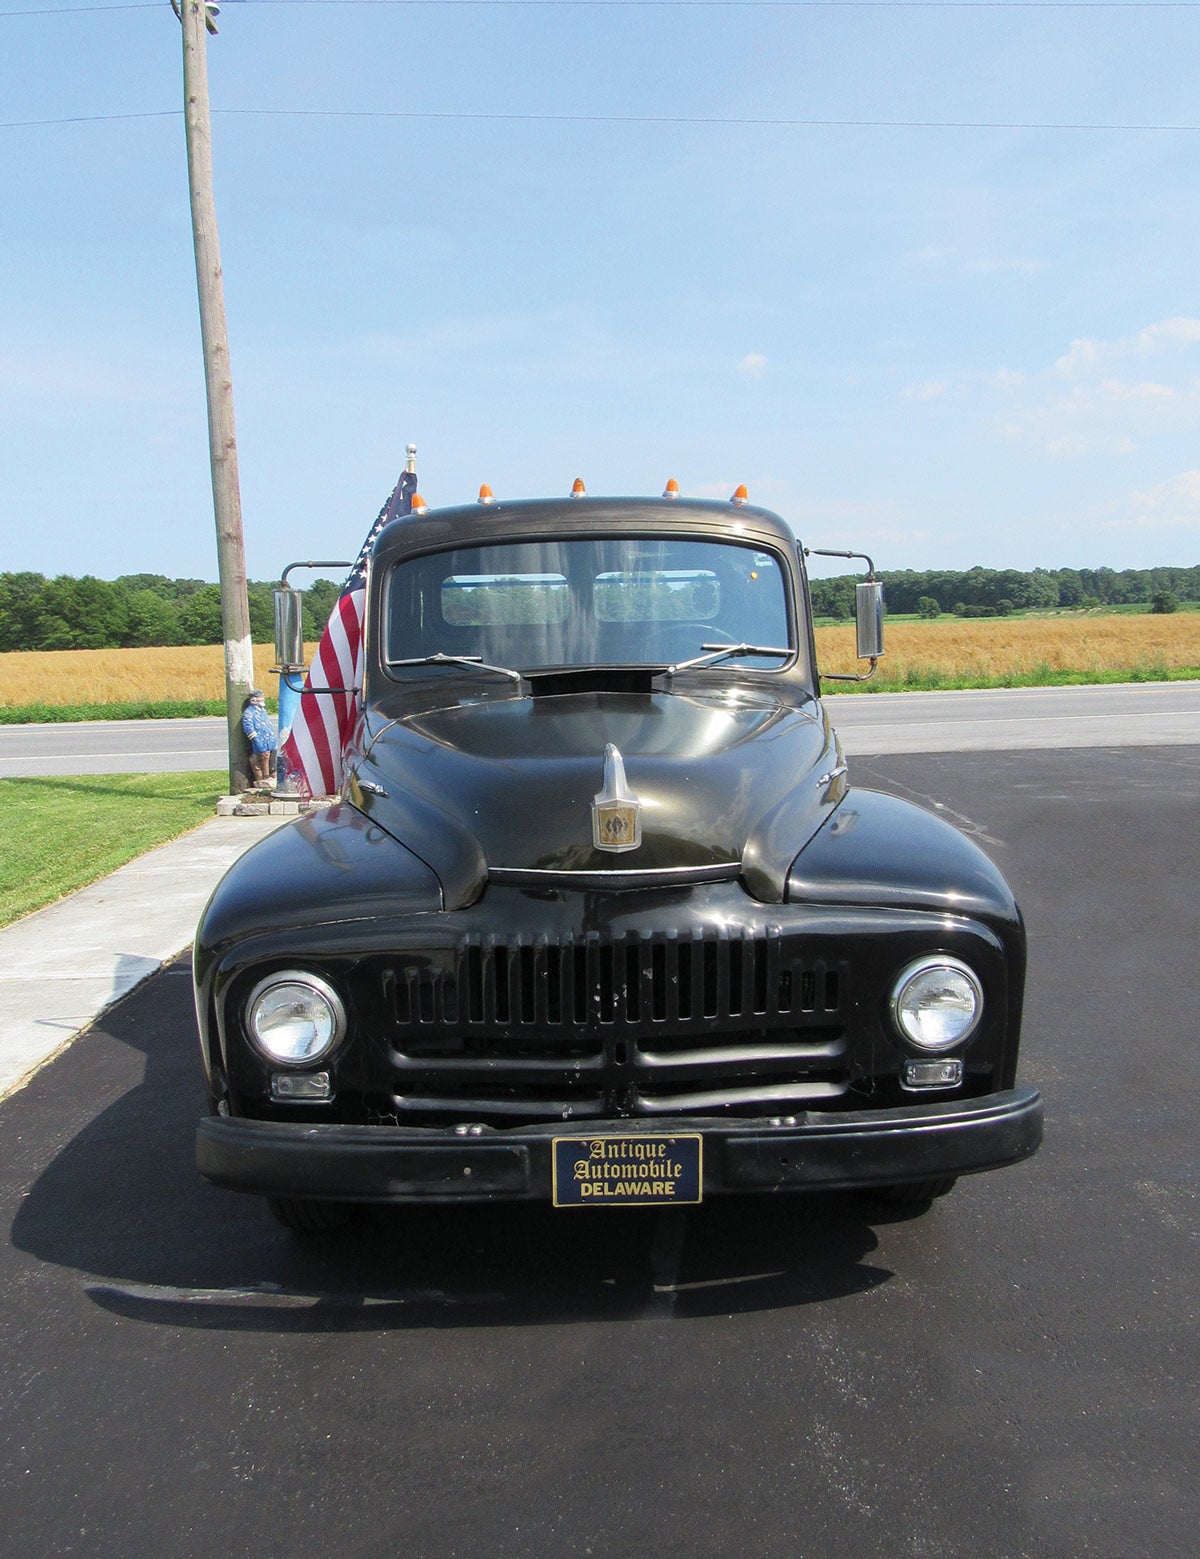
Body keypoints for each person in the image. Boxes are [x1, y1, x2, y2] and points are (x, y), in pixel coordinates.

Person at [241, 689, 277, 788]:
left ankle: (273, 775)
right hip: (260, 739)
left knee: (272, 758)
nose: (262, 699)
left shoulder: (262, 710)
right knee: (263, 757)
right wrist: (255, 737)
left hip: (270, 739)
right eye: (260, 697)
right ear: (254, 700)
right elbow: (248, 727)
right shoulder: (249, 713)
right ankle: (264, 778)